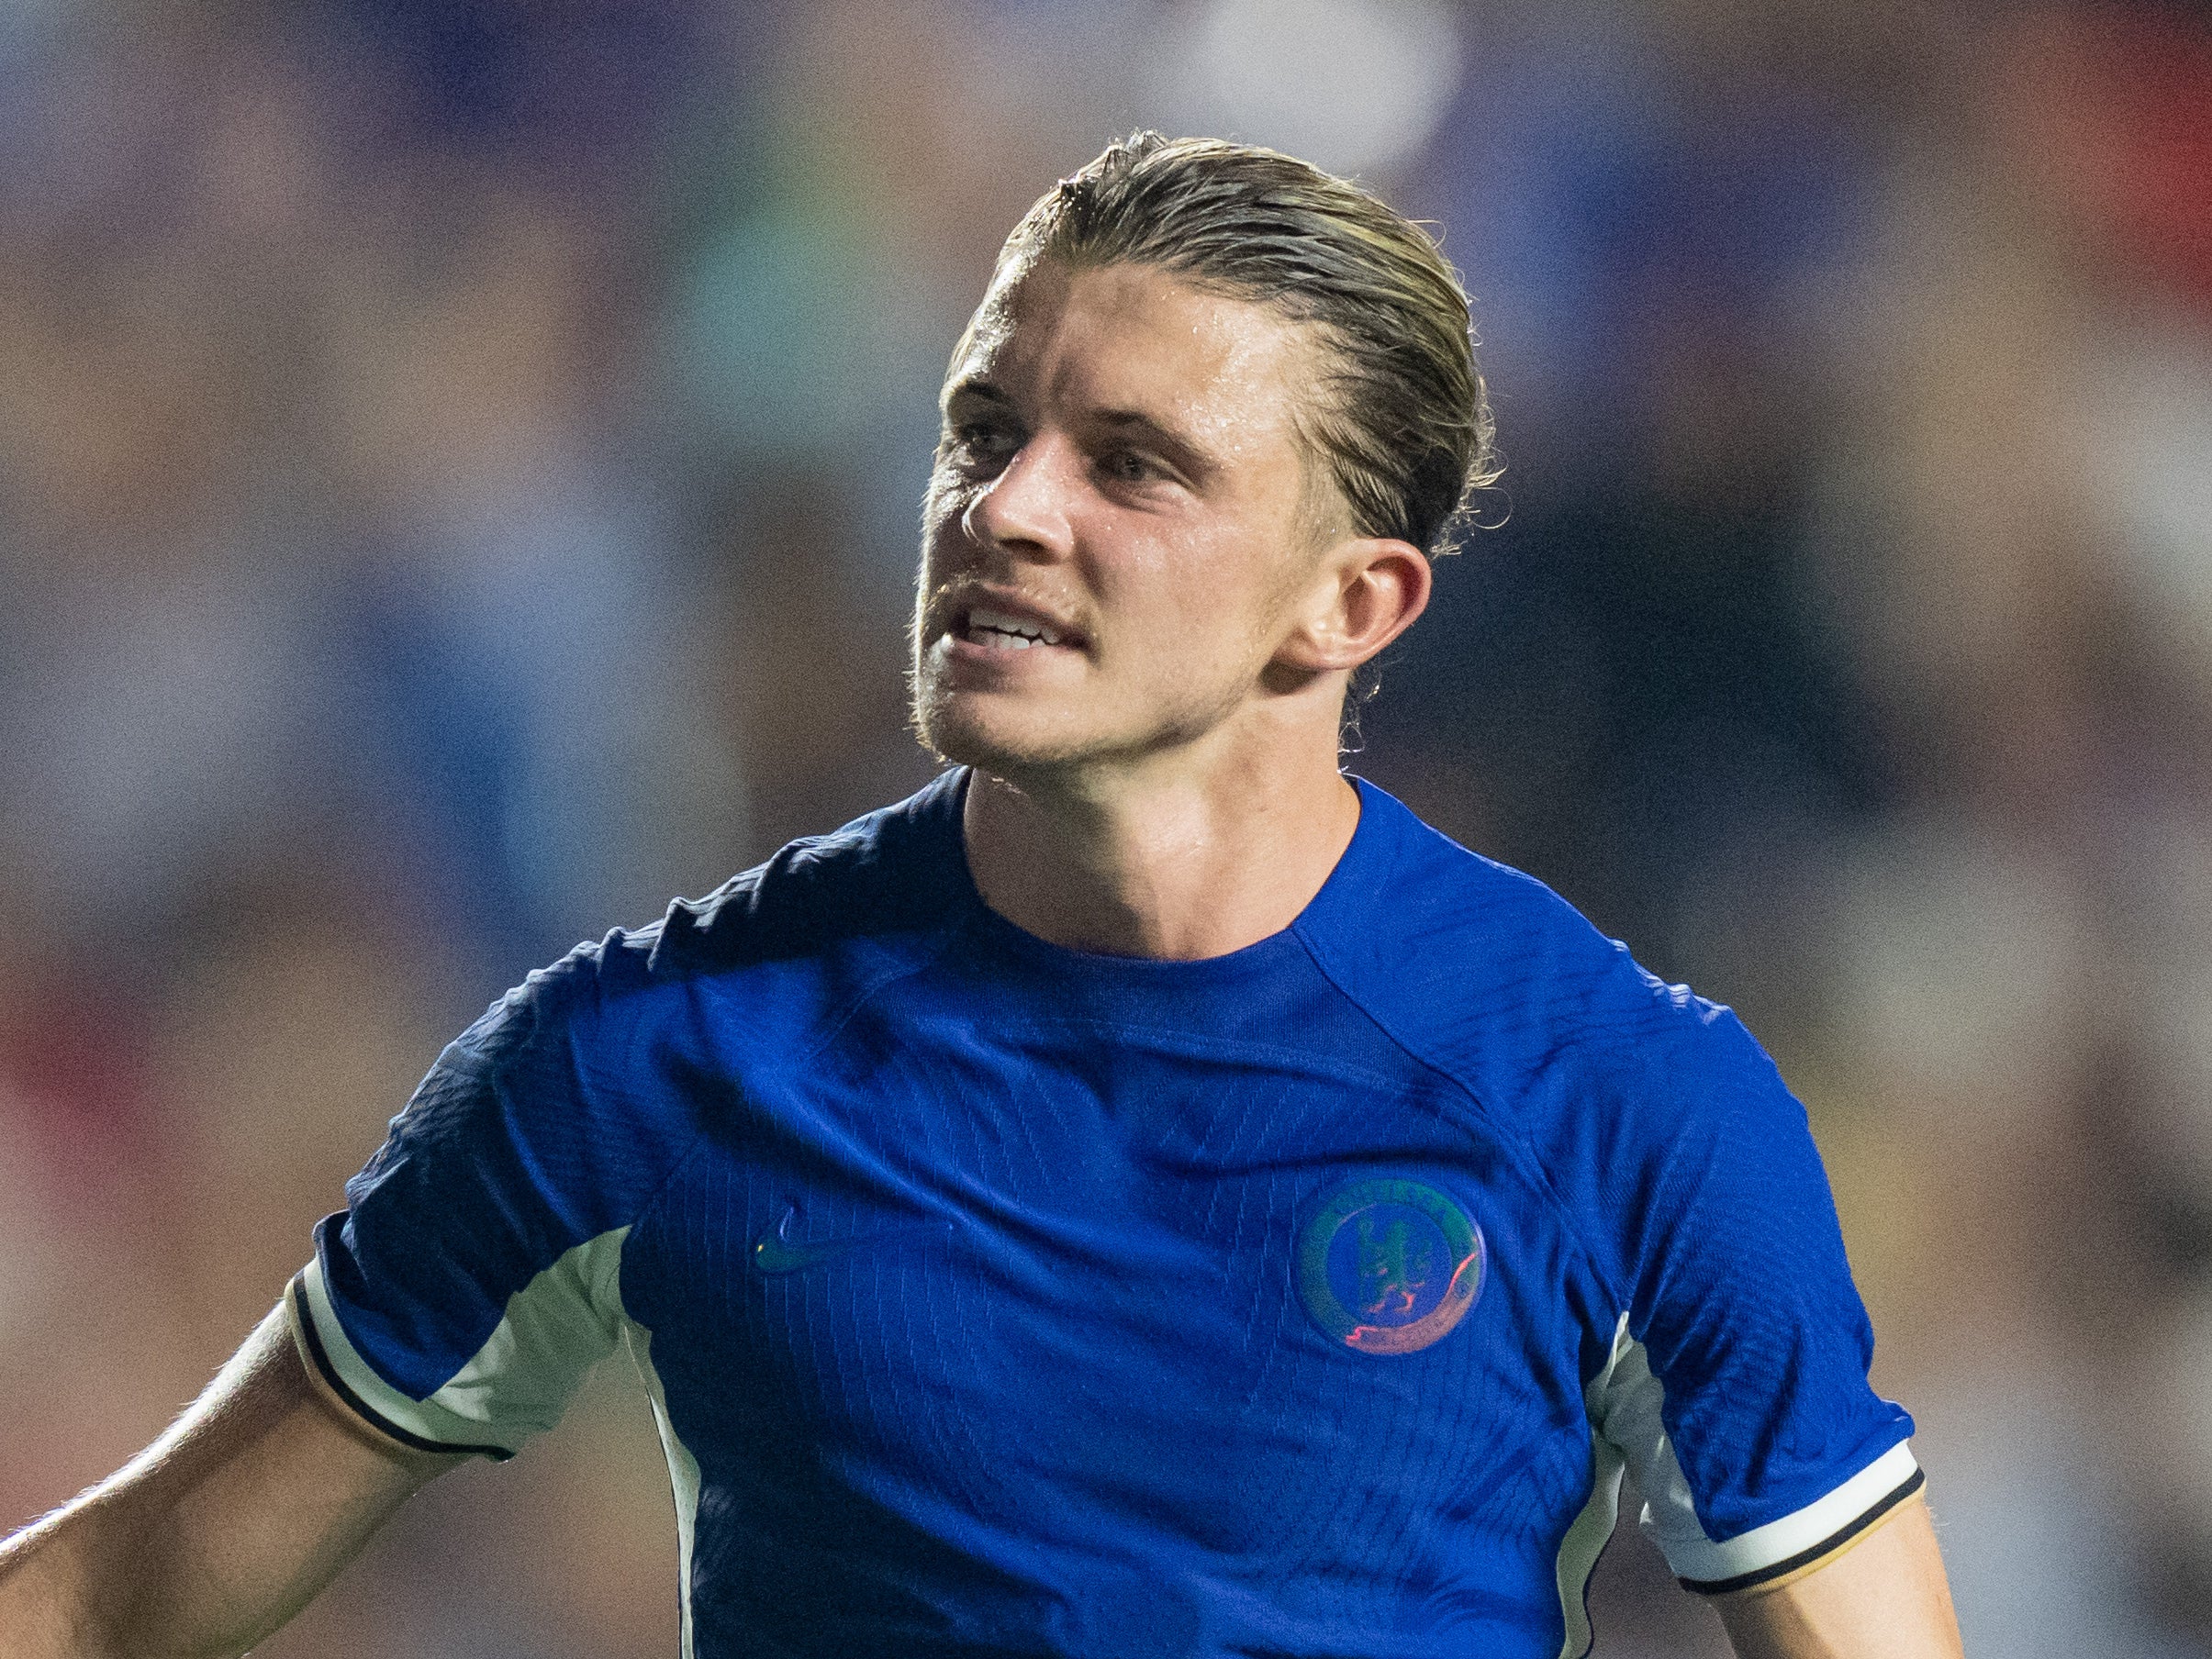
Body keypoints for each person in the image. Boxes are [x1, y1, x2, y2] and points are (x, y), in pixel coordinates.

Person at [0, 133, 1962, 1659]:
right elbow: (122, 1592)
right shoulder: (651, 1056)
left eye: (1130, 463)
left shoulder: (1621, 1108)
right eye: (980, 428)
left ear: (1347, 604)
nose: (1006, 506)